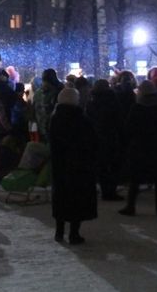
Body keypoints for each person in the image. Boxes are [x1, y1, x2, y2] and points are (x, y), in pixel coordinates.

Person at [49, 86, 98, 244]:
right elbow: (91, 141)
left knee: (61, 197)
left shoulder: (55, 118)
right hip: (79, 166)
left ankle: (59, 231)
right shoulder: (82, 119)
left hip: (60, 165)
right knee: (77, 199)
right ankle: (74, 233)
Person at [119, 79, 157, 217]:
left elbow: (128, 128)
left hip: (139, 147)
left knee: (135, 178)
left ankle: (131, 206)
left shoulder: (137, 108)